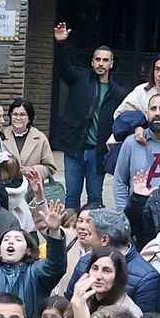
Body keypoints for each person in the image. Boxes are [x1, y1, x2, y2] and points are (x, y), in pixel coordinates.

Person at [50, 24, 127, 209]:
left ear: (111, 64)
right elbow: (63, 67)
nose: (101, 63)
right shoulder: (79, 79)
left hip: (98, 152)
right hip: (74, 148)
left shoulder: (118, 93)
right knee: (72, 196)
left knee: (95, 197)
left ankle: (93, 233)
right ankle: (69, 233)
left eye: (105, 60)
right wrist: (60, 43)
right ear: (92, 62)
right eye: (98, 59)